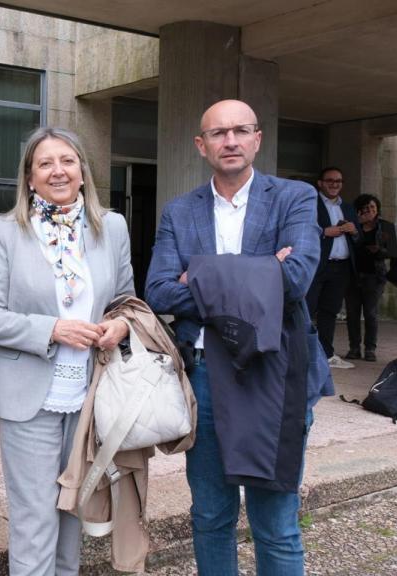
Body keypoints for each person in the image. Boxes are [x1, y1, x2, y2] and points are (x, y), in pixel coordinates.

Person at [145, 99, 334, 576]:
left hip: (276, 371)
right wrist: (262, 272)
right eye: (217, 133)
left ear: (257, 138)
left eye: (239, 131)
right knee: (210, 516)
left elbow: (295, 280)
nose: (229, 141)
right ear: (201, 145)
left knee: (276, 524)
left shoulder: (294, 197)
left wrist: (202, 277)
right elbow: (159, 290)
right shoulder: (179, 211)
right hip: (204, 376)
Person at [0, 127, 135, 575]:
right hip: (29, 396)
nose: (57, 171)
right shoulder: (6, 232)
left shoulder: (113, 226)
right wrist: (53, 329)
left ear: (83, 171)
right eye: (44, 163)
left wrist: (119, 324)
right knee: (33, 517)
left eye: (67, 160)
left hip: (90, 395)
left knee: (72, 510)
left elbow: (127, 301)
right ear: (29, 178)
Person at [306, 166, 359, 369]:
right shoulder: (311, 204)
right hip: (317, 265)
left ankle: (327, 354)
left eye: (338, 181)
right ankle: (303, 353)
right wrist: (324, 232)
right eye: (330, 180)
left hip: (341, 268)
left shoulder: (348, 208)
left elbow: (359, 239)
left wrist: (354, 231)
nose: (334, 184)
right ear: (320, 183)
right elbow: (301, 229)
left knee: (330, 312)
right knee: (307, 310)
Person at [344, 194, 397, 362]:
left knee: (370, 313)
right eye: (366, 208)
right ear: (358, 210)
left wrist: (378, 251)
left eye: (373, 208)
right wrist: (356, 230)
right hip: (353, 274)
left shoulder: (385, 227)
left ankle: (370, 349)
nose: (370, 212)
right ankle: (354, 347)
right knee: (352, 313)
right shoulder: (351, 226)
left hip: (374, 276)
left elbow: (393, 252)